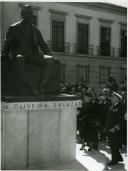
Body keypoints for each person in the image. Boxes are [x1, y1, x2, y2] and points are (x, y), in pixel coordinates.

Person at [1, 4, 54, 96]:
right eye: (26, 13)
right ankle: (31, 87)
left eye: (30, 13)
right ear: (22, 14)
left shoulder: (36, 30)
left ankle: (40, 86)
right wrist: (4, 54)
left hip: (33, 56)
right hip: (20, 55)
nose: (29, 15)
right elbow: (7, 43)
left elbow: (43, 45)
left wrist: (50, 55)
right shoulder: (14, 28)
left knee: (49, 59)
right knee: (19, 58)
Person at [104, 92, 124, 166]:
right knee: (112, 144)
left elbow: (121, 120)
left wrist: (115, 128)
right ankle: (119, 157)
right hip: (109, 128)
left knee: (114, 145)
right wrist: (106, 127)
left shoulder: (121, 107)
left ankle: (114, 161)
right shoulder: (111, 107)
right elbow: (109, 118)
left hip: (115, 129)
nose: (111, 98)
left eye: (113, 97)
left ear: (117, 99)